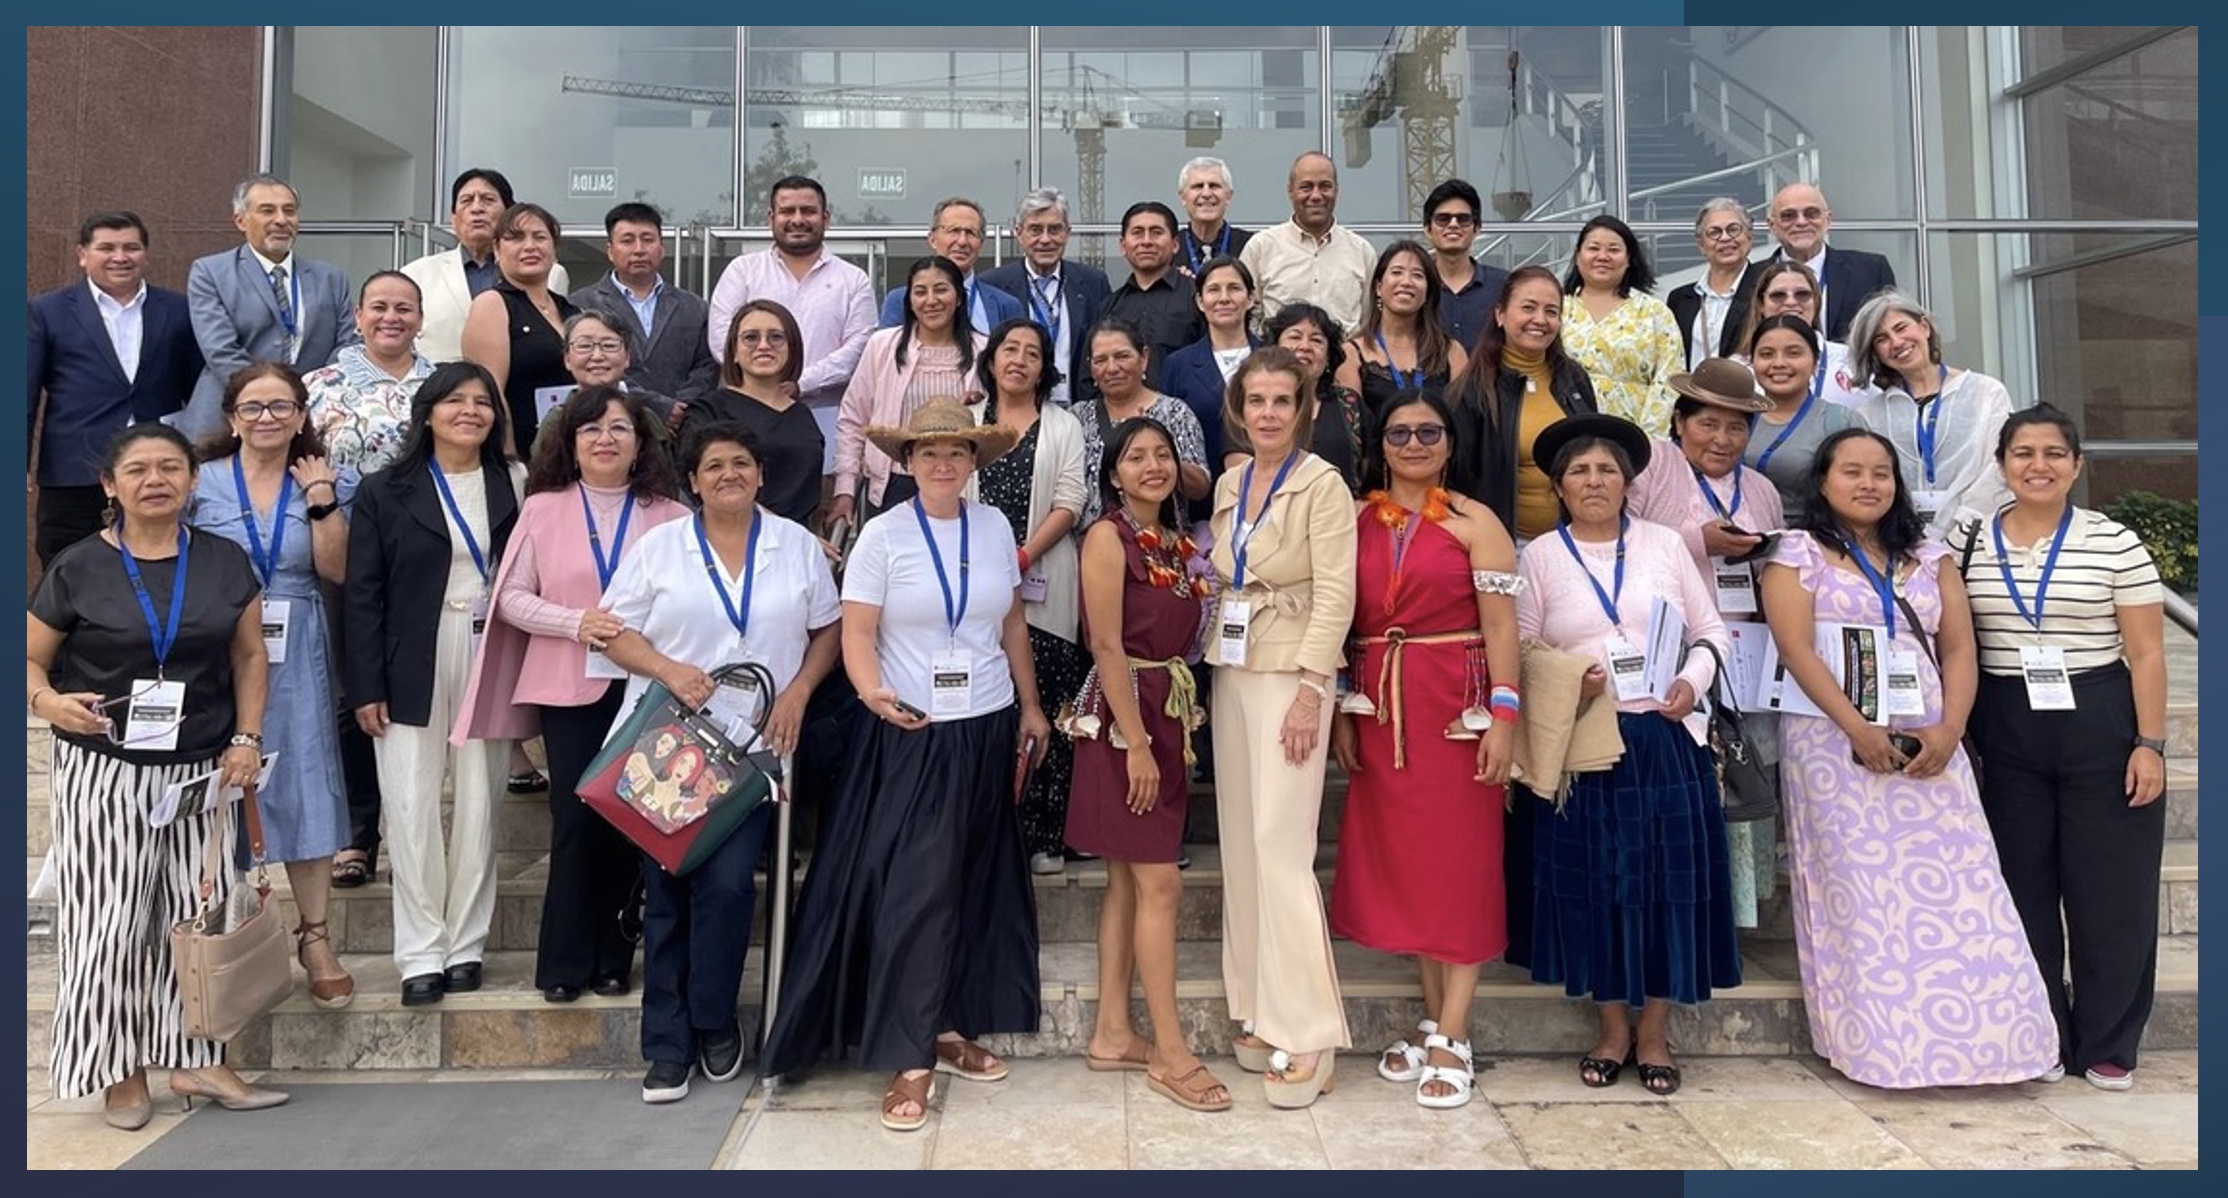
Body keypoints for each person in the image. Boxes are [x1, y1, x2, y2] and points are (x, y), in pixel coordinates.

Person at [758, 400, 1049, 1135]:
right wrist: (869, 692)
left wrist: (1031, 708)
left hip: (984, 726)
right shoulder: (883, 536)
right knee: (916, 892)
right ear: (907, 461)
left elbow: (1011, 622)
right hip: (911, 729)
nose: (943, 464)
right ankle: (908, 1054)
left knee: (971, 880)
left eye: (956, 451)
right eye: (928, 452)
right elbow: (858, 632)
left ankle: (947, 1026)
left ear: (974, 461)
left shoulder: (991, 528)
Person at [1758, 427, 2057, 1088]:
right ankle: (1882, 1049)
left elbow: (1957, 648)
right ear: (1824, 483)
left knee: (1967, 887)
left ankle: (1997, 1045)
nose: (1868, 484)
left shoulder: (1928, 555)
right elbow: (1797, 649)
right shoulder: (1797, 553)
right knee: (1858, 895)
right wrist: (1857, 728)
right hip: (1834, 744)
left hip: (1928, 737)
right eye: (1852, 472)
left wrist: (1951, 728)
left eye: (1881, 473)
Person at [27, 422, 283, 1126]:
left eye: (170, 467)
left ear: (193, 480)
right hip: (104, 768)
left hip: (200, 770)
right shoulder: (78, 565)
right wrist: (50, 701)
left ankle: (198, 1062)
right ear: (110, 486)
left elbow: (249, 659)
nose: (156, 480)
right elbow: (27, 661)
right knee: (110, 924)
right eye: (137, 470)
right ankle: (121, 1071)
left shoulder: (225, 561)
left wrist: (247, 736)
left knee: (192, 921)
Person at [599, 420, 842, 1103]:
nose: (728, 474)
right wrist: (667, 668)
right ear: (694, 480)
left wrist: (798, 690)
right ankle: (668, 1045)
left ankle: (712, 1019)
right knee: (667, 895)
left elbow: (827, 628)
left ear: (761, 474)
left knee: (731, 887)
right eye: (714, 466)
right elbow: (614, 631)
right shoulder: (661, 547)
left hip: (753, 750)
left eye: (741, 462)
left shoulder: (795, 546)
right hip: (667, 748)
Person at [1512, 413, 1739, 1097]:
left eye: (1607, 469)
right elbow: (1522, 650)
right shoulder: (1541, 557)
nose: (1594, 480)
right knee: (1598, 889)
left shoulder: (1666, 545)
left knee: (1668, 887)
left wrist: (1690, 682)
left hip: (1665, 741)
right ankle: (1612, 1027)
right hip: (1587, 743)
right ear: (1558, 485)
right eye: (1579, 470)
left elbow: (1712, 631)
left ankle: (1655, 1032)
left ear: (1628, 482)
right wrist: (1564, 678)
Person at [1960, 406, 2169, 1091]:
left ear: (2077, 465)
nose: (2038, 466)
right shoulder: (1968, 541)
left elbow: (2146, 653)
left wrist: (2150, 744)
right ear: (2001, 465)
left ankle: (2109, 1041)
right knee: (2021, 887)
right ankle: (2039, 1030)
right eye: (2023, 453)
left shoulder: (2115, 542)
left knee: (2111, 889)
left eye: (2054, 453)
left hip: (2100, 718)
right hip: (2007, 722)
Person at [1328, 390, 1521, 1110]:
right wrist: (1347, 712)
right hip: (1379, 704)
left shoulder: (1479, 523)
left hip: (1455, 708)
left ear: (1448, 443)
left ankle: (1456, 1032)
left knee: (1463, 866)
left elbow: (1502, 627)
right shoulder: (1354, 521)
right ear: (1381, 444)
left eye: (1428, 432)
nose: (1413, 443)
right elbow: (1344, 623)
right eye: (1400, 432)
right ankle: (1432, 1016)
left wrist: (1504, 718)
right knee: (1410, 868)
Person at [470, 385, 690, 1004]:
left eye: (619, 428)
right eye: (591, 429)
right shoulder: (542, 509)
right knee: (573, 819)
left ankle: (615, 957)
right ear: (569, 442)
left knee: (630, 819)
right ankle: (564, 962)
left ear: (640, 441)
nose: (605, 439)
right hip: (570, 686)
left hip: (645, 687)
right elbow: (509, 597)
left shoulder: (669, 514)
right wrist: (576, 622)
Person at [343, 361, 523, 1007]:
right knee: (412, 804)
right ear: (427, 413)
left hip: (488, 650)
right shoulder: (385, 489)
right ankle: (421, 950)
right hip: (408, 658)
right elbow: (361, 594)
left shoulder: (516, 483)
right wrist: (366, 684)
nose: (469, 411)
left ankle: (467, 944)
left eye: (482, 402)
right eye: (455, 400)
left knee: (481, 801)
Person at [1206, 347, 1357, 1109]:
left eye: (1281, 401)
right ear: (1240, 407)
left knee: (1282, 845)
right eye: (1256, 400)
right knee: (1243, 843)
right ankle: (1259, 1007)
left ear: (1306, 409)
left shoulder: (1322, 485)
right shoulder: (1233, 481)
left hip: (1292, 671)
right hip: (1233, 666)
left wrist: (1311, 691)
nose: (1268, 413)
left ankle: (1309, 1031)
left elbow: (1338, 593)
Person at [1066, 416, 1225, 1111]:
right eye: (1137, 456)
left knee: (1130, 885)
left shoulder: (1175, 543)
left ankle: (1110, 1032)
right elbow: (1104, 642)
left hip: (1166, 707)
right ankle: (1169, 1047)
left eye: (1163, 455)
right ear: (1114, 473)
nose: (1153, 466)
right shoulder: (1107, 537)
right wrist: (1133, 742)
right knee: (1161, 886)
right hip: (1125, 713)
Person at [188, 363, 356, 1009]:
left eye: (280, 406)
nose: (266, 418)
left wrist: (322, 500)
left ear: (300, 413)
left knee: (305, 779)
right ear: (231, 417)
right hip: (217, 642)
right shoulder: (201, 482)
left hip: (298, 641)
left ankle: (315, 938)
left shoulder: (318, 477)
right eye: (252, 407)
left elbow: (335, 569)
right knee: (225, 784)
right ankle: (231, 932)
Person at [1626, 358, 1781, 930]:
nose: (1722, 439)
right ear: (1680, 421)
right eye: (1709, 423)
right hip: (1668, 651)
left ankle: (1729, 920)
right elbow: (1622, 543)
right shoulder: (1651, 469)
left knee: (1739, 781)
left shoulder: (1760, 489)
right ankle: (1672, 912)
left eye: (1737, 427)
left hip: (1743, 654)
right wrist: (1699, 541)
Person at [302, 270, 439, 890]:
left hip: (424, 558)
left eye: (404, 308)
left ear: (419, 317)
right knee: (351, 693)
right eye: (379, 306)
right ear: (358, 316)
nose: (392, 317)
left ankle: (422, 828)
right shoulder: (320, 385)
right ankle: (357, 834)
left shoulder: (441, 384)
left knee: (416, 691)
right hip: (345, 551)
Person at [968, 319, 1088, 875]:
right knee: (988, 712)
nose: (1018, 360)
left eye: (1032, 353)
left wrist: (1019, 558)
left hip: (1045, 585)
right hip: (973, 591)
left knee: (1045, 705)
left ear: (1045, 367)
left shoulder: (1063, 426)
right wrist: (989, 569)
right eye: (1008, 350)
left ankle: (1045, 835)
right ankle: (991, 832)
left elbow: (1070, 499)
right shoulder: (967, 423)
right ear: (991, 361)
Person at [29, 210, 204, 565]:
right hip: (74, 472)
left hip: (157, 471)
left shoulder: (178, 309)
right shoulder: (47, 311)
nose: (120, 257)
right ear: (82, 255)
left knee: (156, 567)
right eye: (106, 248)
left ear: (146, 254)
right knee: (67, 569)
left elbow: (199, 390)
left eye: (131, 248)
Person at [704, 175, 878, 456]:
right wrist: (765, 385)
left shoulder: (853, 279)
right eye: (787, 211)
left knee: (819, 498)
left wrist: (801, 383)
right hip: (745, 418)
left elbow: (858, 349)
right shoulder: (743, 271)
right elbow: (721, 338)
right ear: (771, 218)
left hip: (827, 420)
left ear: (826, 218)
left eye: (808, 211)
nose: (797, 219)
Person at [181, 173, 357, 438]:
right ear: (240, 221)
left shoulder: (330, 278)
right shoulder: (211, 272)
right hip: (228, 420)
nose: (281, 220)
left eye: (290, 211)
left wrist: (304, 397)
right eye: (267, 211)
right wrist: (272, 399)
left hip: (310, 418)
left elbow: (345, 345)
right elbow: (220, 350)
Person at [1443, 266, 1602, 540]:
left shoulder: (1573, 378)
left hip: (1574, 541)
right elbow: (1454, 483)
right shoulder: (1471, 392)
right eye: (1528, 308)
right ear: (1500, 315)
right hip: (1505, 546)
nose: (1540, 319)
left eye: (1551, 311)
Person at [831, 256, 990, 526]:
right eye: (920, 292)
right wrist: (845, 488)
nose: (931, 300)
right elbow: (853, 418)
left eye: (941, 289)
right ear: (910, 301)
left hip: (959, 483)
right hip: (894, 484)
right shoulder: (882, 346)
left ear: (959, 297)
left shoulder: (984, 351)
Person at [1848, 289, 2016, 536]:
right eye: (1881, 339)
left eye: (1901, 328)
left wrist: (1958, 532)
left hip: (1977, 538)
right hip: (1901, 544)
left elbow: (1998, 467)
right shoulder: (1869, 414)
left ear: (1924, 327)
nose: (1896, 342)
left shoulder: (1986, 393)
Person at [402, 168, 572, 364]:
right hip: (439, 388)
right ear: (454, 220)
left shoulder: (550, 274)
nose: (476, 209)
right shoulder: (416, 275)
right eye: (466, 201)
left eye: (487, 200)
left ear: (509, 214)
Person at [678, 301, 825, 526]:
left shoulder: (802, 414)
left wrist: (802, 541)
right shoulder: (709, 411)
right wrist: (780, 530)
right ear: (734, 351)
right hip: (735, 538)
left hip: (799, 548)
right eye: (751, 337)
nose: (764, 346)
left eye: (776, 337)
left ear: (792, 348)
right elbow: (693, 487)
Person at [568, 202, 720, 405]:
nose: (639, 250)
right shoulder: (581, 304)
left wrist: (682, 408)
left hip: (684, 424)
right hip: (610, 421)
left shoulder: (694, 307)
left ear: (662, 248)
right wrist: (660, 408)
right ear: (610, 251)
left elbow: (706, 366)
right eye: (627, 241)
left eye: (647, 240)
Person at [461, 202, 579, 459]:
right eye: (516, 238)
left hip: (574, 455)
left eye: (540, 237)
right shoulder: (493, 304)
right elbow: (489, 392)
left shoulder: (571, 311)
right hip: (524, 458)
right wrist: (512, 462)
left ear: (554, 249)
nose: (530, 246)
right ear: (497, 249)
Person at [981, 187, 1112, 407]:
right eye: (1035, 230)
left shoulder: (1093, 282)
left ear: (1067, 233)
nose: (1045, 239)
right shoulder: (993, 285)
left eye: (1054, 229)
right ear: (1019, 233)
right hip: (1015, 409)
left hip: (1079, 408)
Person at [1077, 318, 1211, 525]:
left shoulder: (1175, 413)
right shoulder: (1077, 419)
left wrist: (1158, 450)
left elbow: (1200, 487)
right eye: (1101, 360)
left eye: (1122, 356)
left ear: (1144, 358)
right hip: (1092, 547)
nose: (1112, 368)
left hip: (1160, 546)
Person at [1559, 215, 1683, 435]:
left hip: (1633, 434)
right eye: (1593, 248)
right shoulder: (1556, 307)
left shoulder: (1654, 312)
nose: (1602, 257)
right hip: (1564, 431)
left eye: (1614, 250)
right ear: (1578, 256)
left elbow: (1669, 379)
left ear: (1628, 259)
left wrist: (1649, 440)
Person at [1240, 151, 1375, 333]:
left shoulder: (1362, 252)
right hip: (1280, 359)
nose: (1316, 195)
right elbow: (1245, 315)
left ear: (1336, 189)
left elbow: (1371, 319)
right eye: (1306, 187)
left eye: (1325, 186)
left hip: (1345, 360)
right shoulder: (1261, 248)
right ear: (1290, 191)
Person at [1338, 239, 1469, 419]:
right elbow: (1352, 430)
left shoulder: (1452, 352)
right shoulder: (1350, 355)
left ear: (1428, 293)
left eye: (1417, 275)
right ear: (1378, 287)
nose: (1406, 282)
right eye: (1396, 272)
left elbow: (1463, 425)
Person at [1741, 314, 1852, 524]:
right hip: (1743, 543)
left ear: (1815, 363)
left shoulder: (1839, 421)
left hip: (1816, 545)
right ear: (1752, 362)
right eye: (1766, 354)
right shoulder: (1737, 418)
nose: (1779, 363)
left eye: (1793, 353)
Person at [1758, 183, 1896, 341]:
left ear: (1828, 220)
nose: (1801, 222)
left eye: (1811, 213)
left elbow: (1889, 332)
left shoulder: (1871, 271)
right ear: (1772, 226)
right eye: (1788, 216)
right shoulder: (1751, 278)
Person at [1159, 254, 1259, 470]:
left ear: (1250, 298)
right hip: (1201, 496)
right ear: (1200, 301)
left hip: (1273, 493)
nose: (1224, 298)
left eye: (1234, 288)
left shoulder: (1275, 359)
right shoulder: (1178, 365)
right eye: (1214, 290)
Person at [1729, 260, 1871, 410]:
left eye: (1802, 294)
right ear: (1760, 306)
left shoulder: (1852, 360)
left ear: (1816, 303)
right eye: (1778, 295)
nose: (1791, 302)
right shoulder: (1736, 370)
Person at [1254, 303, 1365, 493]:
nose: (1305, 346)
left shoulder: (1349, 403)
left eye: (1316, 340)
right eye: (1295, 337)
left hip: (1340, 515)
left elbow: (1371, 468)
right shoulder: (1254, 402)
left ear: (1329, 356)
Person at [875, 198, 1025, 330]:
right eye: (954, 231)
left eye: (971, 233)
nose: (962, 242)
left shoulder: (1006, 306)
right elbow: (885, 357)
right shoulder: (900, 301)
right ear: (932, 239)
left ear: (981, 243)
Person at [1102, 201, 1205, 392]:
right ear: (1123, 246)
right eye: (1137, 232)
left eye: (1156, 232)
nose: (1146, 241)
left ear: (1175, 245)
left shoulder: (1198, 299)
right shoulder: (1110, 306)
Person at [1421, 179, 1511, 354]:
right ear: (1427, 230)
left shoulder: (1504, 285)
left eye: (1463, 219)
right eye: (1443, 219)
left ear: (1476, 228)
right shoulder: (1415, 286)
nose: (1453, 225)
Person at [1665, 198, 1756, 367]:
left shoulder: (1766, 290)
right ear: (1701, 245)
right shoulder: (1680, 300)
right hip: (1690, 392)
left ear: (1749, 236)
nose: (1725, 238)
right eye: (1714, 232)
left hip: (1746, 392)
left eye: (1733, 229)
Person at [1175, 156, 1253, 278]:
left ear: (1228, 196)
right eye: (1198, 186)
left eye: (1214, 186)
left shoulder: (1251, 246)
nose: (1206, 194)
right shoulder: (1168, 249)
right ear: (1183, 197)